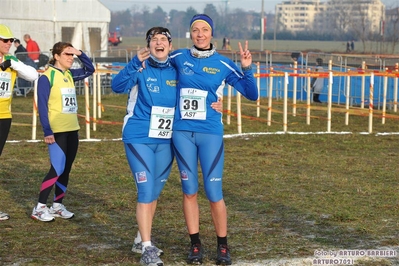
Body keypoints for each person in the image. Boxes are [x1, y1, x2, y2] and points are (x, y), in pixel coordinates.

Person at [111, 26, 222, 266]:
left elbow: (202, 88)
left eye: (164, 39)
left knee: (154, 194)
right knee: (144, 191)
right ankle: (147, 249)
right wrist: (132, 64)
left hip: (166, 140)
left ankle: (141, 237)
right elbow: (116, 86)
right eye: (154, 40)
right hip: (139, 137)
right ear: (148, 45)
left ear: (170, 47)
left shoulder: (178, 68)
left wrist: (218, 103)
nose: (159, 43)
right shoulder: (140, 67)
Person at [169, 14, 258, 265]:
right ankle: (195, 244)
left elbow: (251, 94)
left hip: (210, 133)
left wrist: (247, 67)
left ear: (212, 34)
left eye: (204, 30)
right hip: (182, 132)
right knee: (189, 191)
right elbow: (158, 71)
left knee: (213, 191)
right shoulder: (177, 58)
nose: (200, 34)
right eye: (195, 29)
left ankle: (223, 245)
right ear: (190, 34)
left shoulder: (223, 63)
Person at [31, 42, 94, 222]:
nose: (71, 58)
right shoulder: (47, 77)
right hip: (56, 130)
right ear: (56, 56)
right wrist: (47, 131)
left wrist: (80, 53)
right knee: (57, 168)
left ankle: (57, 205)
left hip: (72, 129)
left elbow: (90, 70)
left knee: (66, 169)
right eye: (67, 54)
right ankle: (40, 207)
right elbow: (42, 107)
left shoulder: (69, 74)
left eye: (72, 55)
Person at [0, 24, 38, 220]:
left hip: (4, 117)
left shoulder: (11, 60)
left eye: (11, 40)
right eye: (5, 40)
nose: (9, 44)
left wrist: (12, 64)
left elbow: (33, 75)